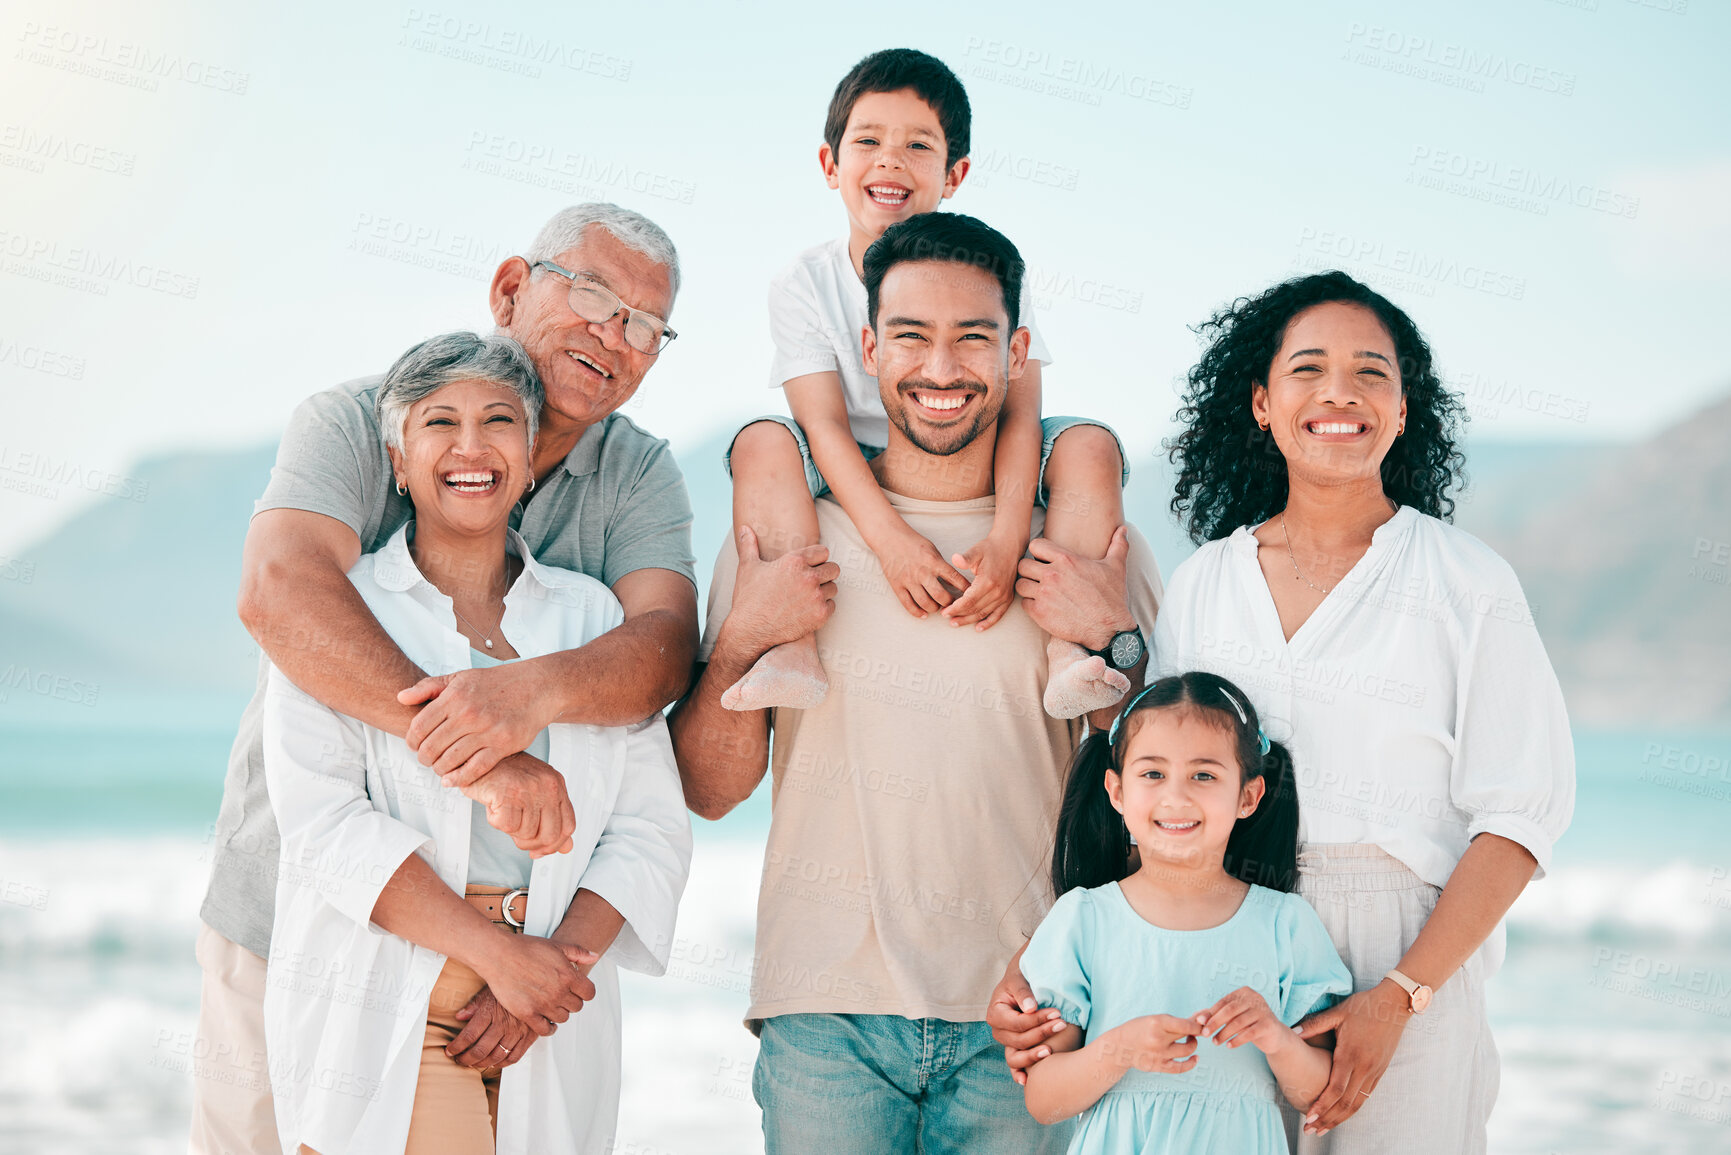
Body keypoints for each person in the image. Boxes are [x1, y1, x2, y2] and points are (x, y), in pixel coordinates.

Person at [993, 270, 1575, 1154]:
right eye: (1308, 369)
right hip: (1222, 930)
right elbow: (1166, 782)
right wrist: (1043, 965)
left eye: (1371, 373)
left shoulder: (1468, 582)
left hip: (1405, 941)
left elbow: (1519, 818)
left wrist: (1401, 993)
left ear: (1405, 409)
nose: (1339, 392)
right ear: (1261, 403)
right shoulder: (1206, 582)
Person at [191, 204, 699, 1155]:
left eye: (645, 324)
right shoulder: (362, 417)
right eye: (591, 294)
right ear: (512, 286)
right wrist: (491, 764)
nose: (615, 335)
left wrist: (525, 696)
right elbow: (279, 592)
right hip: (300, 920)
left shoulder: (632, 478)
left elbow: (661, 653)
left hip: (535, 950)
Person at [669, 211, 1163, 1155]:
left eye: (973, 337)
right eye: (910, 337)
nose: (941, 368)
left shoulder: (1081, 544)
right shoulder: (788, 537)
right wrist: (739, 647)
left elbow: (1157, 786)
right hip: (825, 1015)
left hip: (1033, 1015)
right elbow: (709, 787)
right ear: (867, 348)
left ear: (1017, 352)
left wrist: (1115, 639)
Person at [721, 47, 1132, 720]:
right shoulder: (802, 282)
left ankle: (1071, 647)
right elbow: (821, 424)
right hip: (853, 458)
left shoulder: (993, 270)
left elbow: (1022, 415)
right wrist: (892, 542)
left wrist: (1004, 541)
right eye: (868, 141)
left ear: (955, 173)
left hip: (976, 440)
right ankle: (789, 644)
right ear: (830, 165)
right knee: (761, 444)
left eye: (918, 144)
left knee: (1088, 446)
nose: (890, 160)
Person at [1019, 672, 1352, 1154]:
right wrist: (1120, 1049)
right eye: (1153, 773)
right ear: (1116, 792)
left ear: (1248, 796)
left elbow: (1317, 1095)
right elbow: (1044, 1100)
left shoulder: (1285, 923)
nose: (1176, 796)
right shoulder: (1083, 919)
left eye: (1204, 775)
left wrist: (1277, 1039)